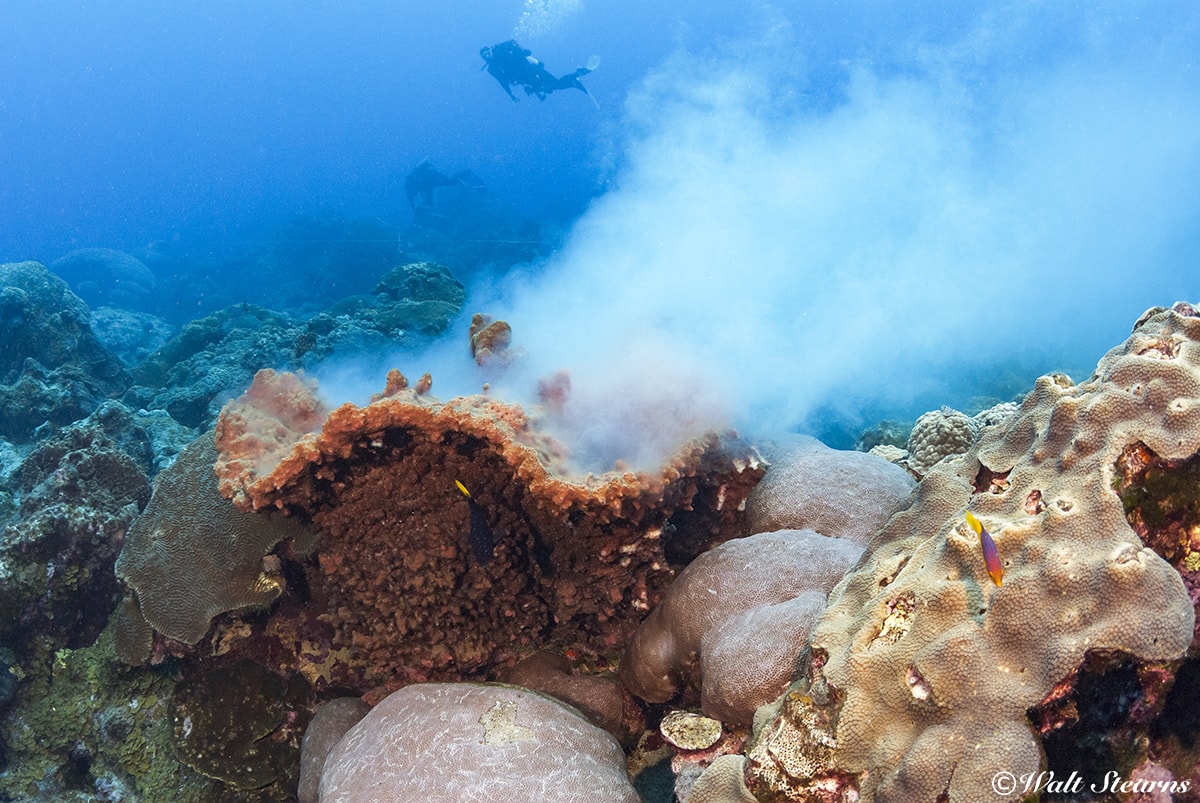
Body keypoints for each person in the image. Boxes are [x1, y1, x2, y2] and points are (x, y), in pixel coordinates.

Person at [480, 39, 595, 102]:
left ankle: (577, 75)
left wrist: (523, 51)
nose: (487, 56)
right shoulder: (492, 69)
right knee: (553, 88)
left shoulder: (501, 50)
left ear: (491, 50)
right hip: (524, 80)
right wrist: (510, 93)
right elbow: (502, 81)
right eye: (484, 56)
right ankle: (575, 80)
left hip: (532, 70)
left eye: (487, 53)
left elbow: (513, 43)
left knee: (555, 85)